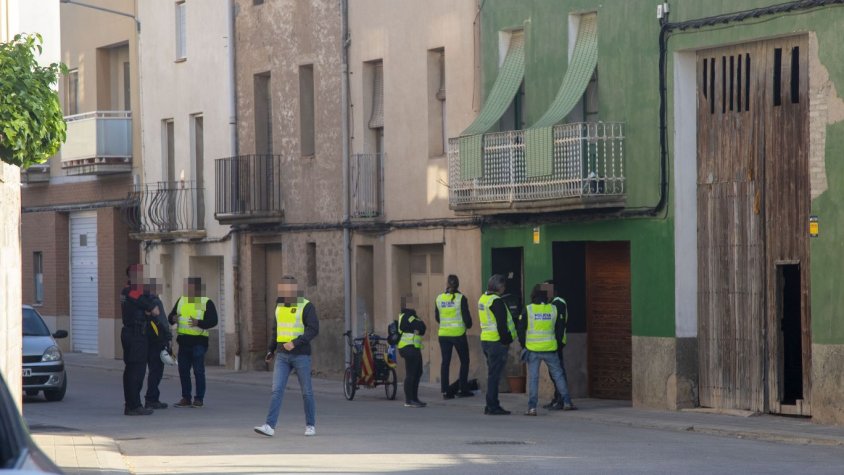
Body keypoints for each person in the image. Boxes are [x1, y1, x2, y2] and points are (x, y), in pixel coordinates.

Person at [254, 276, 320, 437]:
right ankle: (269, 426)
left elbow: (313, 329)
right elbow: (276, 330)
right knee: (276, 390)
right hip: (282, 355)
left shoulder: (306, 306)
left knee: (307, 392)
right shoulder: (279, 305)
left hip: (301, 355)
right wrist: (270, 350)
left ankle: (310, 425)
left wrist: (296, 342)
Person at [517, 283, 575, 416]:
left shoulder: (529, 309)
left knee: (533, 379)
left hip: (533, 349)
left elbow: (520, 329)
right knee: (558, 376)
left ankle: (532, 408)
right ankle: (567, 402)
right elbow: (559, 329)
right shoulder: (553, 309)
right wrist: (558, 344)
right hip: (551, 348)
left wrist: (523, 344)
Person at [168, 277, 218, 408]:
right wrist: (173, 318)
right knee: (183, 371)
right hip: (183, 342)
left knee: (198, 371)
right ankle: (186, 398)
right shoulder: (181, 301)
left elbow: (214, 321)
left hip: (199, 342)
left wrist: (199, 323)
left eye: (190, 287)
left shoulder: (205, 302)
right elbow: (171, 317)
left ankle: (199, 399)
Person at [121, 264, 160, 416]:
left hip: (132, 333)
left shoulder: (127, 291)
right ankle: (134, 405)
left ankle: (131, 404)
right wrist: (150, 308)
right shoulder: (132, 292)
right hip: (136, 335)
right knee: (136, 371)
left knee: (131, 370)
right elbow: (152, 308)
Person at [478, 274, 517, 415]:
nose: (504, 288)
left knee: (492, 374)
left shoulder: (483, 299)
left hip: (486, 340)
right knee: (494, 376)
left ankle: (490, 404)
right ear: (499, 287)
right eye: (503, 286)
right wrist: (506, 341)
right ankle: (492, 406)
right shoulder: (497, 302)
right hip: (497, 342)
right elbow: (501, 325)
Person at [434, 274, 473, 399]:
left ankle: (445, 391)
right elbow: (467, 319)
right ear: (458, 284)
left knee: (445, 362)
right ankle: (462, 389)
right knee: (465, 361)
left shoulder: (439, 298)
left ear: (447, 284)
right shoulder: (461, 298)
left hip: (444, 334)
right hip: (458, 334)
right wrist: (468, 325)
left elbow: (437, 317)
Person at [542, 279, 576, 411]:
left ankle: (562, 400)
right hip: (550, 344)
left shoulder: (559, 303)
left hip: (556, 343)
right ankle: (557, 398)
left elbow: (560, 325)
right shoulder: (550, 304)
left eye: (546, 289)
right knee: (554, 373)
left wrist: (557, 342)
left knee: (558, 372)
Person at [144, 278, 171, 410]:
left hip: (147, 341)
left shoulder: (143, 302)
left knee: (152, 370)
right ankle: (152, 398)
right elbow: (162, 321)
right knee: (156, 371)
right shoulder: (155, 302)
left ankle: (151, 397)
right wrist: (168, 337)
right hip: (157, 340)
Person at [398, 294, 427, 408]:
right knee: (411, 374)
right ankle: (409, 400)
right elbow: (420, 327)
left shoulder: (412, 316)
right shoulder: (408, 316)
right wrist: (417, 329)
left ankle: (414, 398)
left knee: (418, 372)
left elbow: (422, 329)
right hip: (408, 347)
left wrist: (417, 329)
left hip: (413, 347)